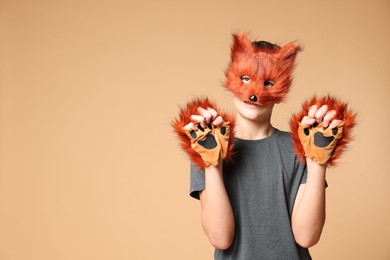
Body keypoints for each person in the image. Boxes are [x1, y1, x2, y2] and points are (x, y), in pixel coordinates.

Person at [172, 33, 355, 260]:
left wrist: (317, 159)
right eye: (246, 78)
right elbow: (220, 237)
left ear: (282, 88)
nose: (254, 93)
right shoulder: (206, 142)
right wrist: (212, 162)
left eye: (268, 83)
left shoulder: (301, 145)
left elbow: (307, 236)